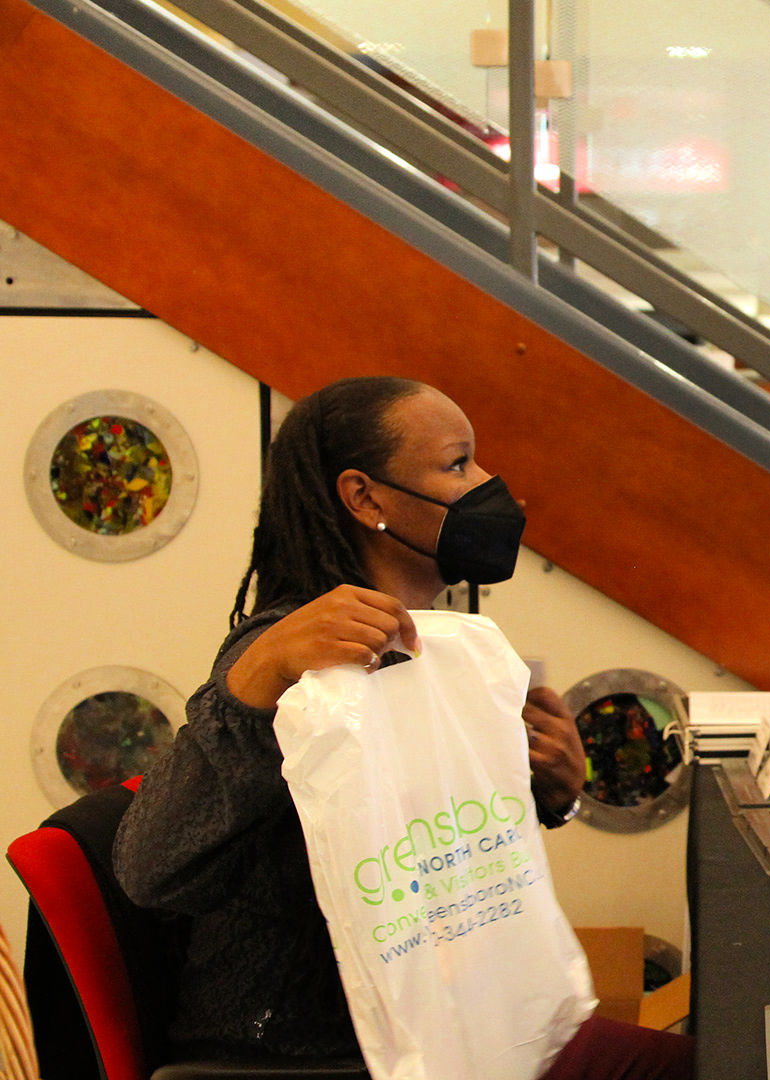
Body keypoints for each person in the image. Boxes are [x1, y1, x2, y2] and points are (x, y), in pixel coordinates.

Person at [114, 376, 694, 1079]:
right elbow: (150, 867)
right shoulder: (293, 654)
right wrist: (260, 673)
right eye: (457, 465)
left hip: (459, 1023)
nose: (490, 487)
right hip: (319, 1051)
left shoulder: (437, 652)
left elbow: (413, 847)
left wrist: (553, 794)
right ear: (365, 498)